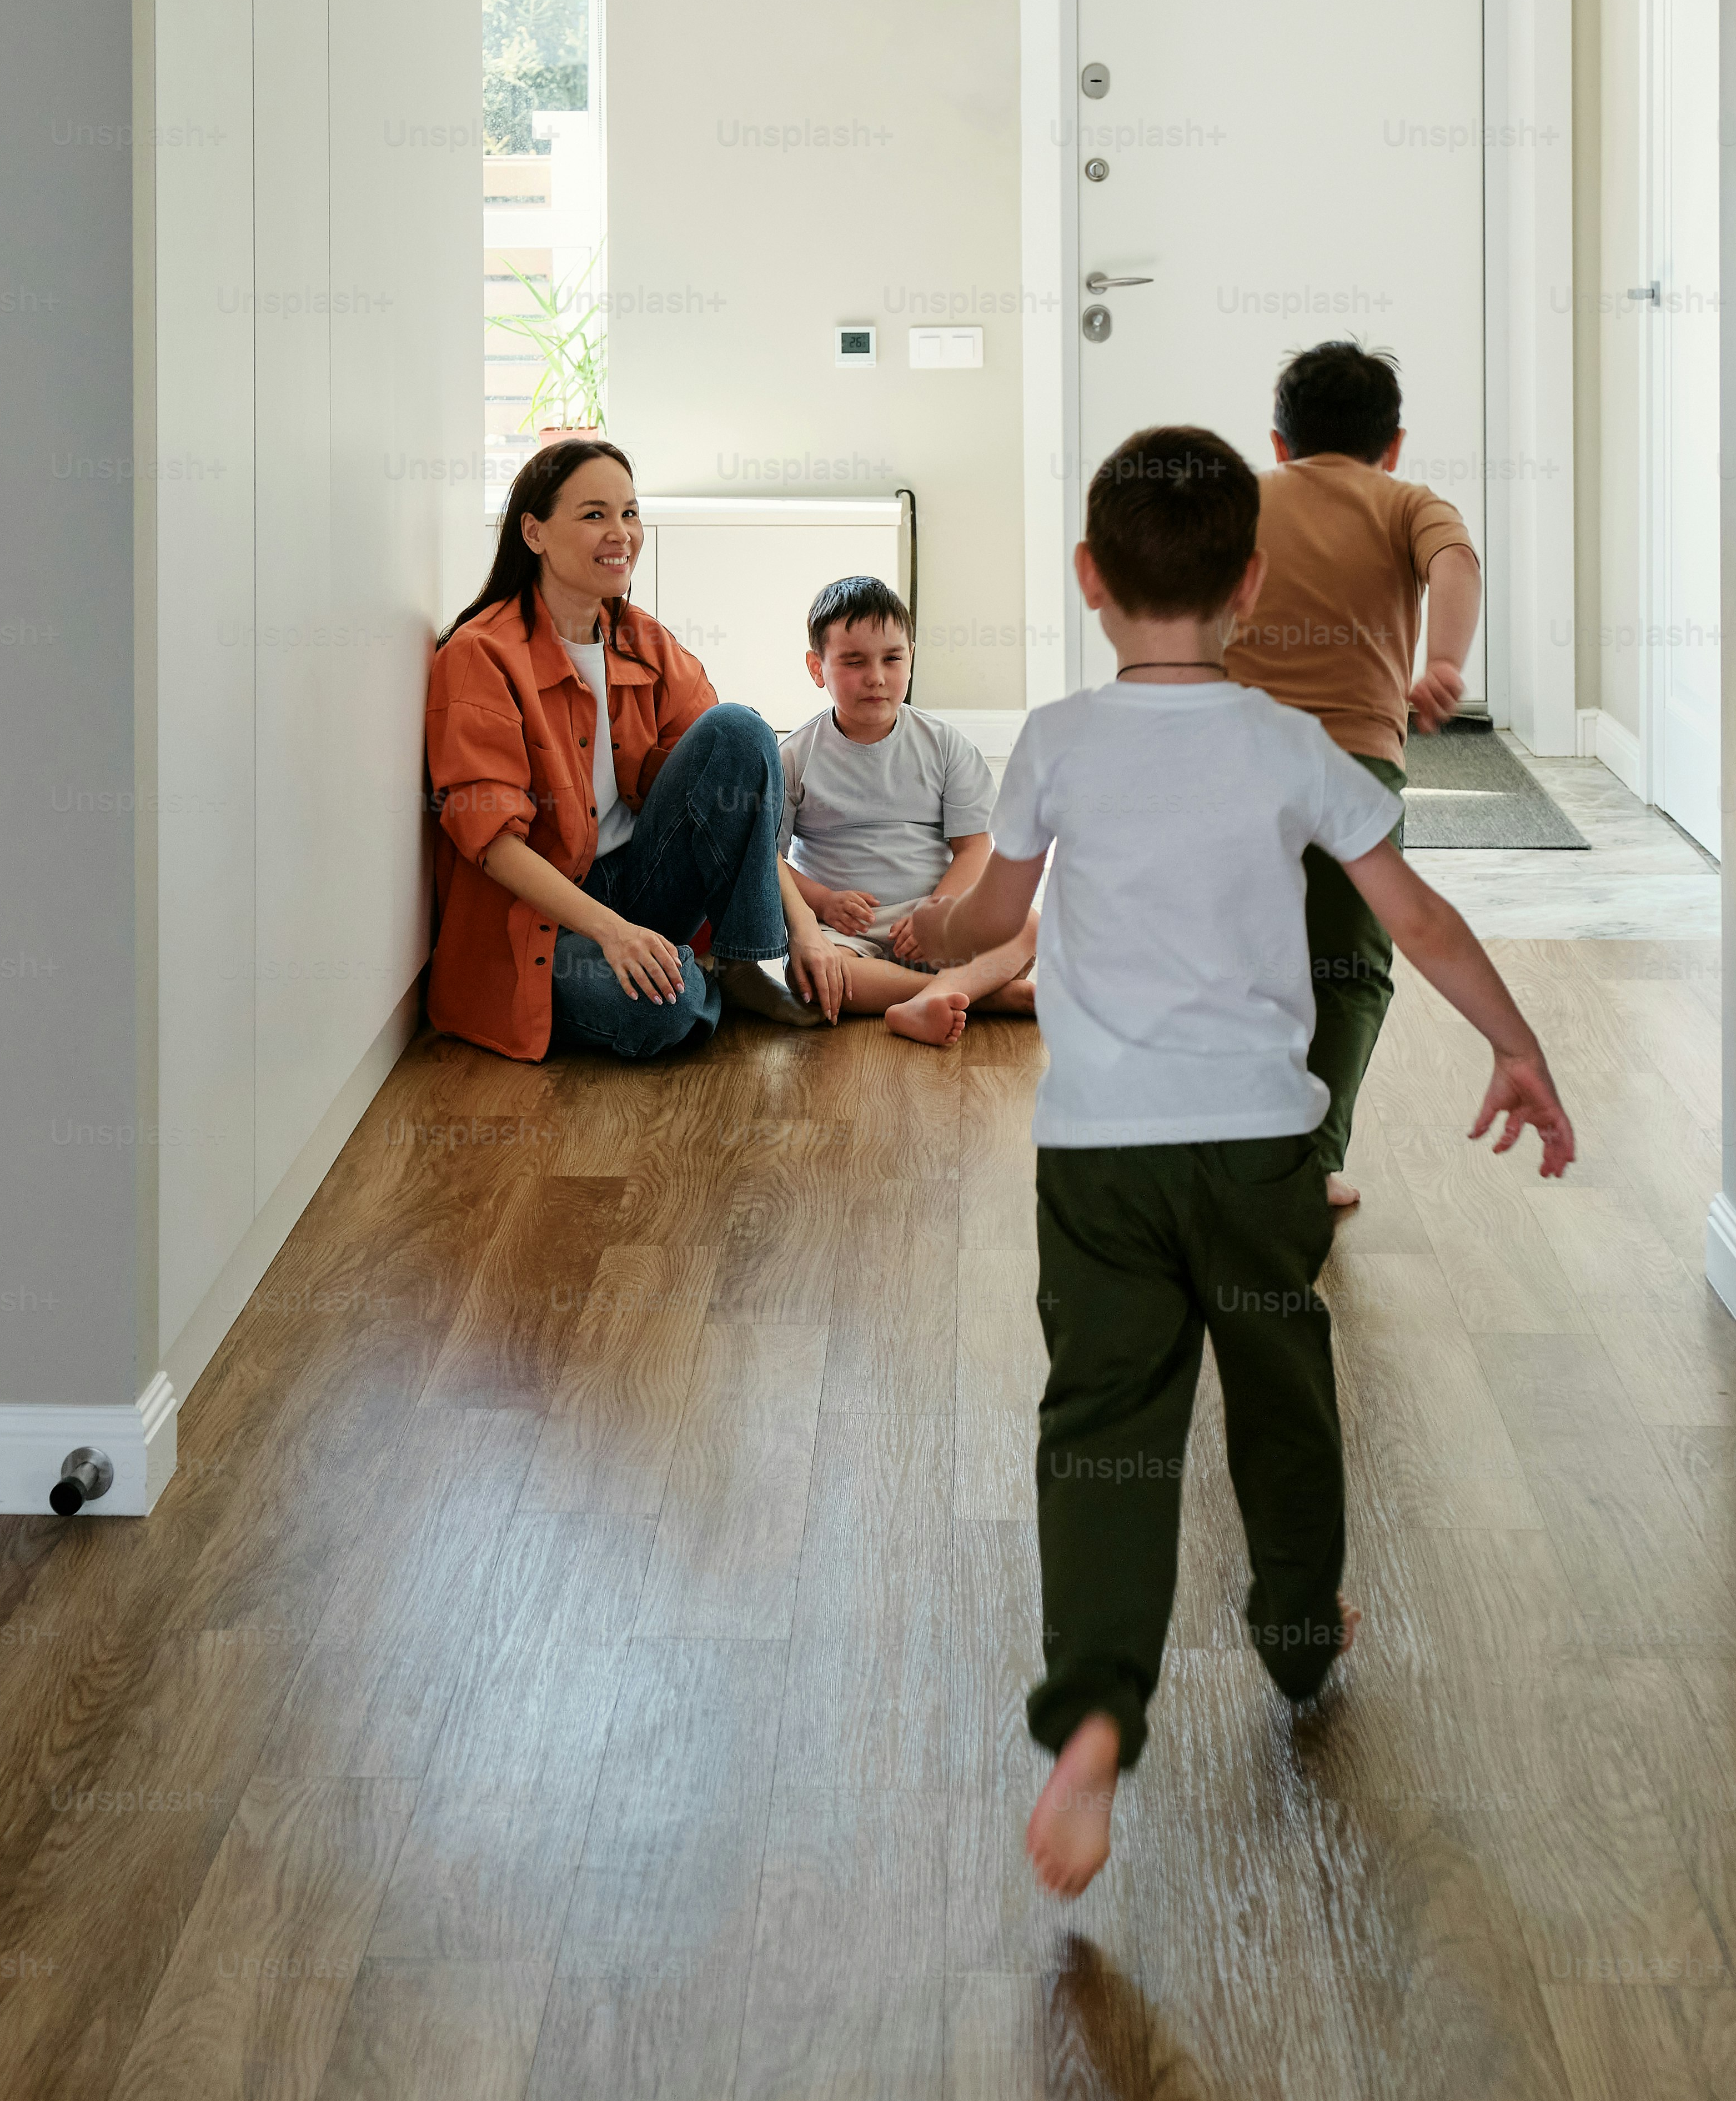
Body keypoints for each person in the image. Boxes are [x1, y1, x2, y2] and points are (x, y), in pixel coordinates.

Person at [909, 425, 1573, 1899]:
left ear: (1090, 581)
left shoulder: (1057, 743)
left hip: (1101, 1163)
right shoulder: (1294, 747)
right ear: (1253, 584)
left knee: (1104, 1424)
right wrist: (1516, 1047)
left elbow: (989, 913)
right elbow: (1418, 922)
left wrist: (930, 939)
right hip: (1264, 1152)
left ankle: (1093, 1716)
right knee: (1282, 1392)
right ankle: (1292, 1627)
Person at [422, 439, 851, 1061]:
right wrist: (612, 933)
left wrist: (804, 931)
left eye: (630, 513)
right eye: (595, 514)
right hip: (540, 923)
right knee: (664, 1010)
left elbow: (740, 784)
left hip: (641, 881)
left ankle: (738, 968)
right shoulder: (479, 654)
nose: (620, 533)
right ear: (534, 532)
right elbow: (493, 845)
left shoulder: (642, 640)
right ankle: (685, 976)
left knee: (741, 728)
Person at [1225, 341, 1482, 1207]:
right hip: (1352, 772)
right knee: (1350, 969)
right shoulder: (1409, 501)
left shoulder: (1243, 501)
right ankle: (1310, 1163)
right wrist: (1442, 662)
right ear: (1394, 445)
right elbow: (1458, 564)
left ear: (1278, 442)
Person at [771, 575, 1041, 1049]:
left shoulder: (944, 745)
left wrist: (938, 914)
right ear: (818, 668)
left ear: (911, 658)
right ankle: (980, 997)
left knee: (1031, 925)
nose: (876, 676)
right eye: (853, 662)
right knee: (813, 977)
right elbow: (770, 860)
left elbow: (975, 846)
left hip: (932, 921)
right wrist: (823, 902)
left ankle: (933, 993)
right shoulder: (794, 756)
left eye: (892, 659)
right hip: (846, 930)